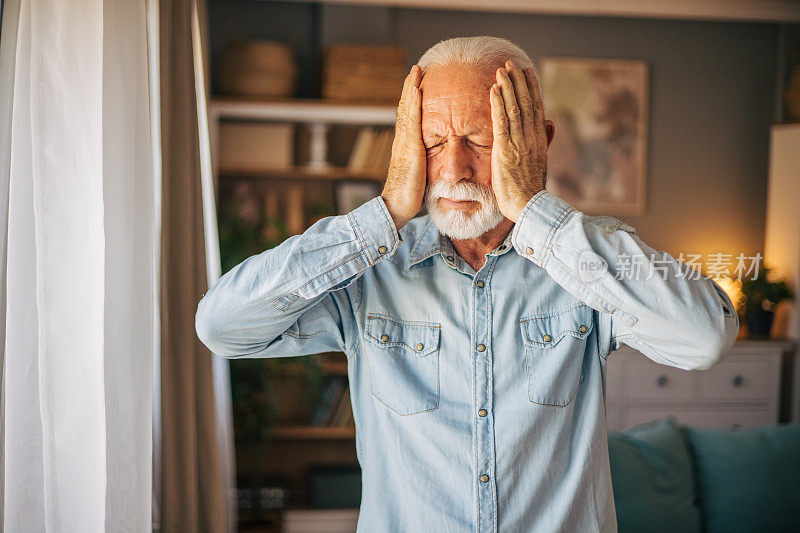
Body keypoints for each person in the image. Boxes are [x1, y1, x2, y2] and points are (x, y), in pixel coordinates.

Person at [196, 36, 739, 532]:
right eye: (431, 142)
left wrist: (532, 209)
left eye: (479, 139)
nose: (453, 168)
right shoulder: (367, 269)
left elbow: (705, 337)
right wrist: (383, 213)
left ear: (538, 142)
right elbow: (221, 327)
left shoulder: (586, 262)